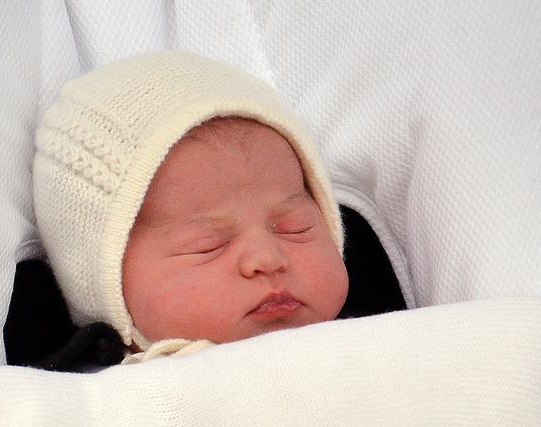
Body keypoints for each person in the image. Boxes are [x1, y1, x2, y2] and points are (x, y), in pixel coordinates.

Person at [33, 51, 348, 364]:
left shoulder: (384, 339)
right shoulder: (89, 399)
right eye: (208, 245)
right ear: (108, 287)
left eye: (296, 227)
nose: (267, 259)